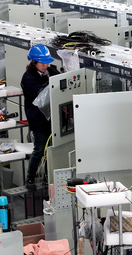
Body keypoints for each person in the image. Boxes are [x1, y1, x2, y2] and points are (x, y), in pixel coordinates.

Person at [21, 44, 60, 191]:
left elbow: (63, 79)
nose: (46, 65)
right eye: (43, 63)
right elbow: (43, 96)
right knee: (40, 149)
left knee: (53, 148)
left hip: (53, 118)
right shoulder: (28, 78)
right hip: (38, 120)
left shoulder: (50, 71)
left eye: (47, 62)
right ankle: (30, 177)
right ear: (33, 62)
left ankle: (49, 177)